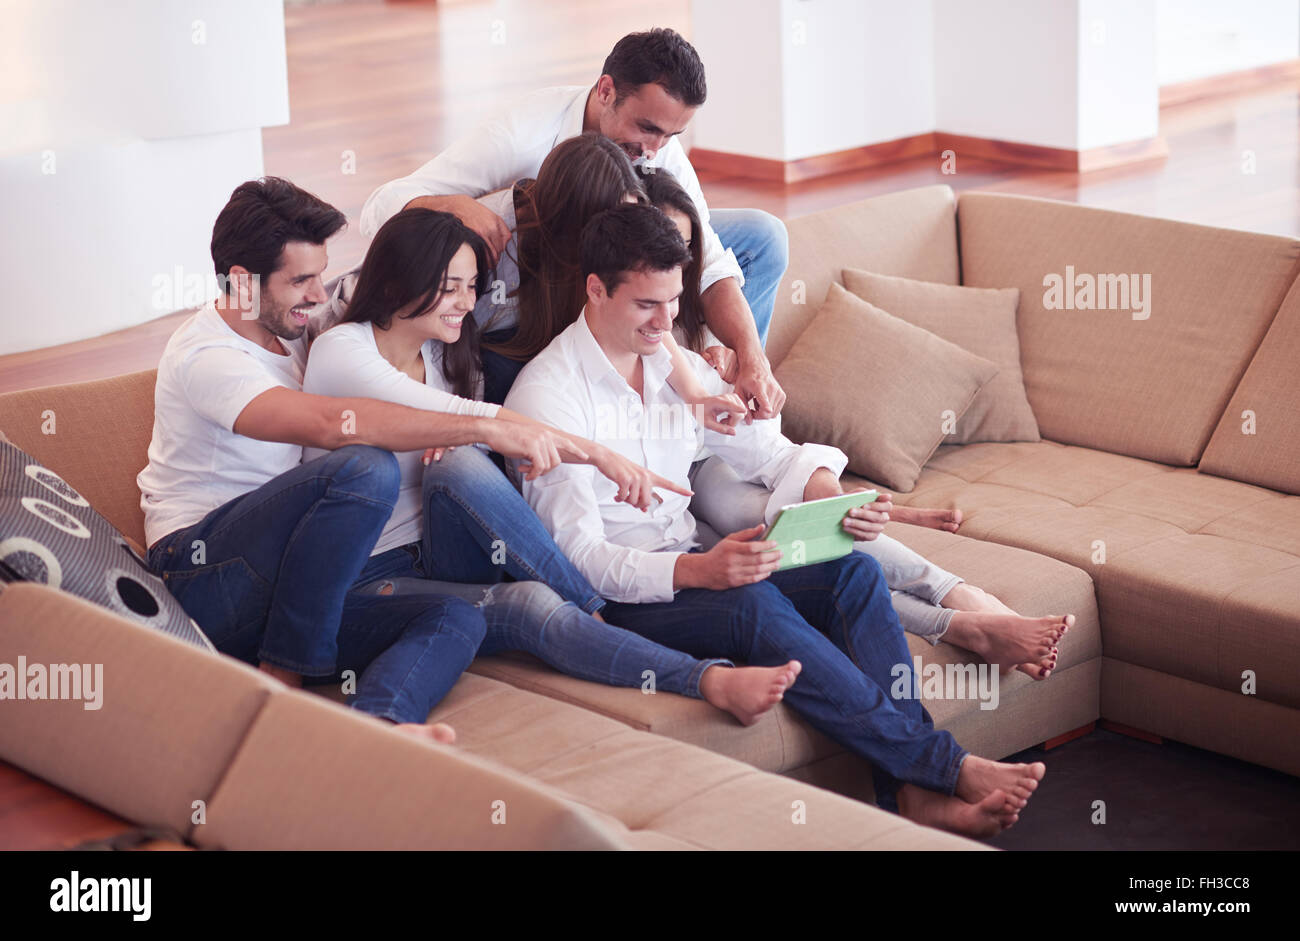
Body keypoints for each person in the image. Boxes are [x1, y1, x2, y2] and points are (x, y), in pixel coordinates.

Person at [505, 203, 1048, 838]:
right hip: (628, 597)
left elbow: (765, 451)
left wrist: (835, 499)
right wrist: (698, 570)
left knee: (850, 575)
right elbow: (578, 558)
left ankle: (909, 789)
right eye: (647, 305)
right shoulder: (549, 397)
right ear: (595, 290)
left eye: (674, 302)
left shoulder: (669, 365)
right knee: (752, 608)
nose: (666, 321)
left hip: (699, 562)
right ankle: (942, 769)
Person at [138, 177, 602, 744]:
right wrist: (479, 424)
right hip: (206, 574)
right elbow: (333, 426)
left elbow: (397, 278)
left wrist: (450, 209)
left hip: (295, 583)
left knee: (458, 615)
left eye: (319, 273)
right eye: (301, 280)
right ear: (241, 282)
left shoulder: (294, 329)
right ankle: (284, 689)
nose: (317, 293)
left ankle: (380, 731)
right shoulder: (207, 356)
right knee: (365, 468)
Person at [301, 206, 801, 724]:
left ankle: (589, 610)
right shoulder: (342, 350)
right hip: (373, 571)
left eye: (473, 287)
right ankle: (666, 656)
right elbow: (476, 419)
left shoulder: (450, 357)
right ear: (396, 280)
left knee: (460, 467)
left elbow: (479, 428)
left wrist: (692, 386)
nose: (467, 304)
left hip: (442, 550)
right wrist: (599, 454)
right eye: (450, 287)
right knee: (524, 598)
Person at [640, 167, 1072, 679]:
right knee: (770, 551)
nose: (679, 264)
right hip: (670, 494)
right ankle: (960, 621)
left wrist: (824, 492)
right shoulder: (617, 340)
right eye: (664, 249)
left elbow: (762, 444)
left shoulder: (703, 312)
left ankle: (959, 596)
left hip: (720, 456)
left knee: (758, 516)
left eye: (688, 249)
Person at [359, 26, 789, 419]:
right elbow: (379, 208)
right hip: (529, 290)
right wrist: (453, 204)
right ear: (605, 90)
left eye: (670, 136)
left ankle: (738, 385)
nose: (655, 151)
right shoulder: (519, 134)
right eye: (647, 128)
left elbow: (709, 257)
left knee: (761, 236)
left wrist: (748, 354)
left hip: (609, 266)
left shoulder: (657, 150)